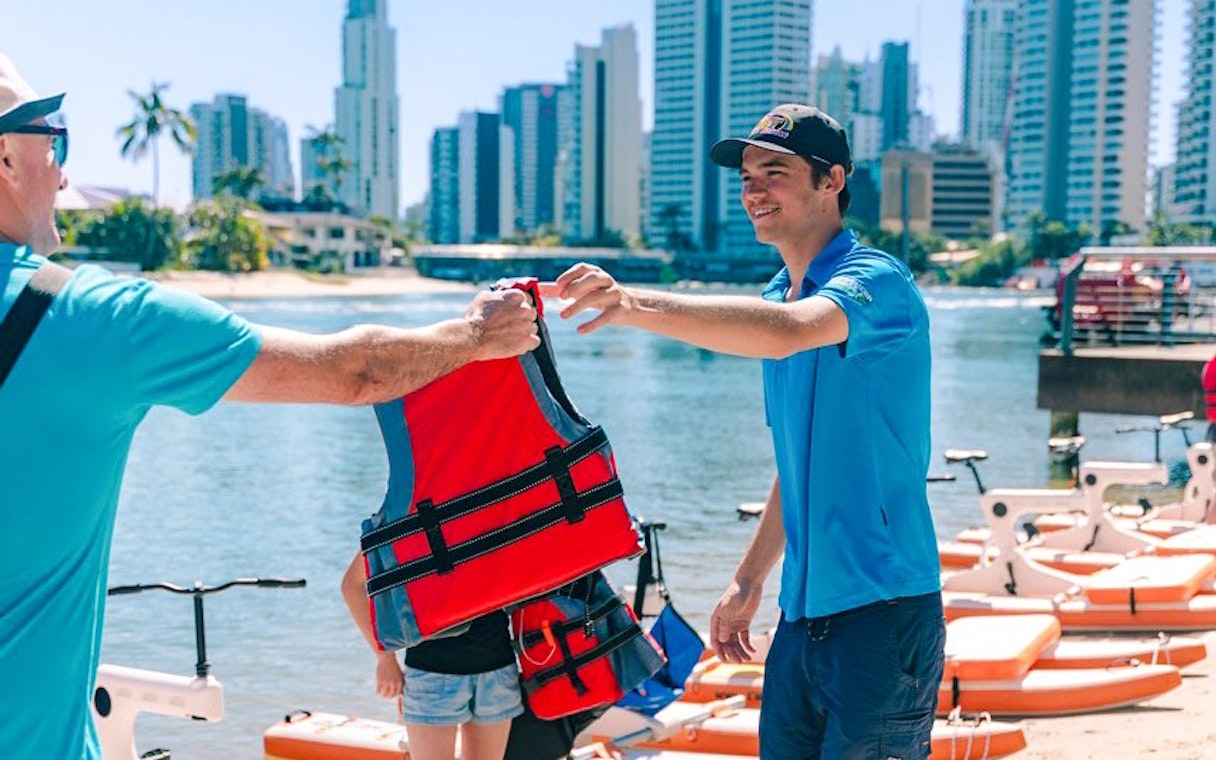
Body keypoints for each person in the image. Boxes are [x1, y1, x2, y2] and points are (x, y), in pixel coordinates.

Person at [0, 55, 539, 760]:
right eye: (57, 143)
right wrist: (477, 336)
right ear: (8, 158)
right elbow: (351, 370)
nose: (64, 175)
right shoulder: (90, 320)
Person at [546, 103, 945, 759]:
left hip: (885, 611)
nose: (754, 189)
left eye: (775, 172)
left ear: (832, 180)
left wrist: (635, 303)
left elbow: (792, 335)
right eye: (748, 175)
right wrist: (749, 580)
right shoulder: (772, 297)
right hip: (802, 619)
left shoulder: (876, 282)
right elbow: (800, 466)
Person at [340, 555, 521, 760]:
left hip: (483, 671)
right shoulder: (403, 521)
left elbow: (352, 586)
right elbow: (353, 586)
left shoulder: (404, 521)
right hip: (464, 671)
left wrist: (386, 658)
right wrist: (385, 659)